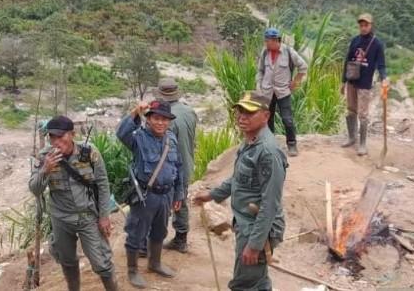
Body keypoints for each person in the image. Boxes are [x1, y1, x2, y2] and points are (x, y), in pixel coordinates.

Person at [194, 90, 287, 291]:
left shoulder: (268, 152)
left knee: (245, 284)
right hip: (247, 223)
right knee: (256, 281)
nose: (242, 117)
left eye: (249, 112)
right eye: (240, 111)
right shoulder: (250, 141)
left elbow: (270, 203)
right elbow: (239, 179)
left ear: (266, 115)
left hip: (257, 227)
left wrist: (254, 245)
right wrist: (213, 195)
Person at [28, 115, 118, 291]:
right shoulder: (44, 156)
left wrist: (104, 216)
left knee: (101, 261)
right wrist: (45, 170)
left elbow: (102, 183)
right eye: (52, 136)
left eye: (61, 136)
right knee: (67, 259)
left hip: (87, 216)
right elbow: (35, 190)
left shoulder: (89, 153)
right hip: (61, 218)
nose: (56, 141)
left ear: (72, 134)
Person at [117, 100, 185, 288]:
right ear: (148, 119)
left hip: (166, 195)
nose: (161, 123)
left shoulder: (171, 138)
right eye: (156, 118)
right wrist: (135, 112)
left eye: (165, 119)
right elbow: (121, 133)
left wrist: (179, 194)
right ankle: (132, 271)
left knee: (160, 231)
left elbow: (178, 166)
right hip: (146, 195)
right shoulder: (138, 137)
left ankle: (155, 263)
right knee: (136, 232)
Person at [157, 77, 198, 253]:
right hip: (187, 163)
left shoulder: (163, 118)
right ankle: (181, 238)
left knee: (163, 202)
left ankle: (155, 239)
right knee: (180, 200)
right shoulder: (190, 112)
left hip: (169, 168)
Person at [341, 13, 388, 155]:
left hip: (365, 84)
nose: (363, 27)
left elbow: (381, 65)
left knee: (363, 114)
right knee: (351, 110)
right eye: (361, 25)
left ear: (371, 25)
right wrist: (343, 81)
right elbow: (347, 61)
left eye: (366, 25)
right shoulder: (355, 41)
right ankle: (351, 137)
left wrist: (384, 77)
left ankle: (362, 144)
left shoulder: (377, 44)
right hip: (352, 81)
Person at [255, 27, 307, 157]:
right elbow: (260, 70)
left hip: (283, 91)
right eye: (265, 40)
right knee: (268, 119)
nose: (266, 43)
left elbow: (303, 66)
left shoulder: (288, 52)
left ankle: (292, 144)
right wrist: (259, 84)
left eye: (268, 41)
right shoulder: (265, 53)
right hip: (267, 92)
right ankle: (270, 145)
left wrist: (296, 81)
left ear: (276, 40)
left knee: (287, 119)